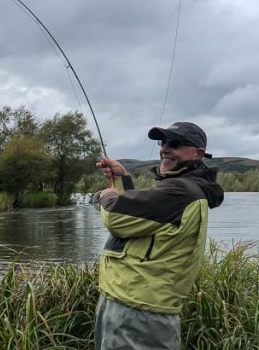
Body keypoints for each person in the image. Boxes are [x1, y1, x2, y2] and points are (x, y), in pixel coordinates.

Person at [92, 121, 224, 350]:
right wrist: (123, 179)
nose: (165, 148)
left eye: (175, 143)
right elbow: (140, 217)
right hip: (132, 304)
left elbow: (116, 216)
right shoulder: (182, 189)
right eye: (163, 142)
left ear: (198, 153)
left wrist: (106, 195)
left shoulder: (180, 191)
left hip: (138, 311)